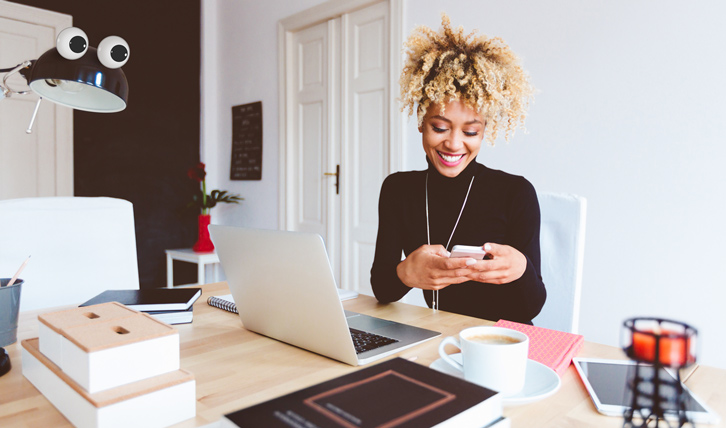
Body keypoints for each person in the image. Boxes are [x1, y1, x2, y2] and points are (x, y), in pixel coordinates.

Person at [370, 14, 545, 324]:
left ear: (484, 131)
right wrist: (405, 272)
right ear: (422, 122)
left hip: (501, 343)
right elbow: (382, 288)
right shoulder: (398, 189)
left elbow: (531, 308)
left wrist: (521, 268)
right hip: (437, 334)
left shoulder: (516, 193)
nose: (453, 144)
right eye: (440, 127)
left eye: (470, 132)